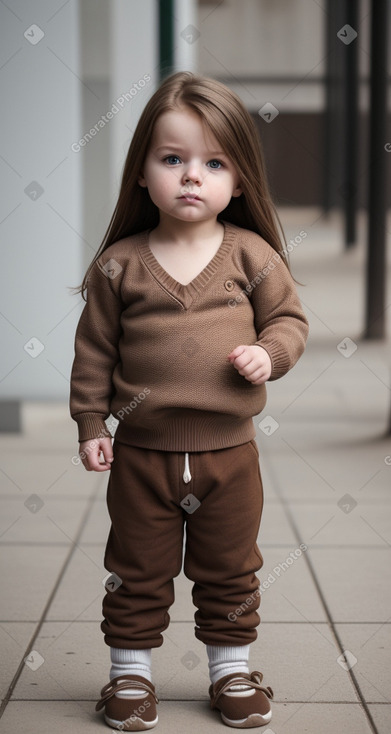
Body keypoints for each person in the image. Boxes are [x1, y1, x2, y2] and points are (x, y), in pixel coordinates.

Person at [69, 71, 309, 731]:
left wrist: (270, 352)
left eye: (213, 163)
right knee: (136, 570)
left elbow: (289, 321)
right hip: (141, 457)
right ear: (142, 173)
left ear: (239, 180)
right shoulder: (119, 265)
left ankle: (231, 672)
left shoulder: (250, 254)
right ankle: (128, 679)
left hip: (229, 457)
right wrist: (92, 421)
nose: (190, 176)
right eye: (171, 159)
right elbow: (93, 353)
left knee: (230, 570)